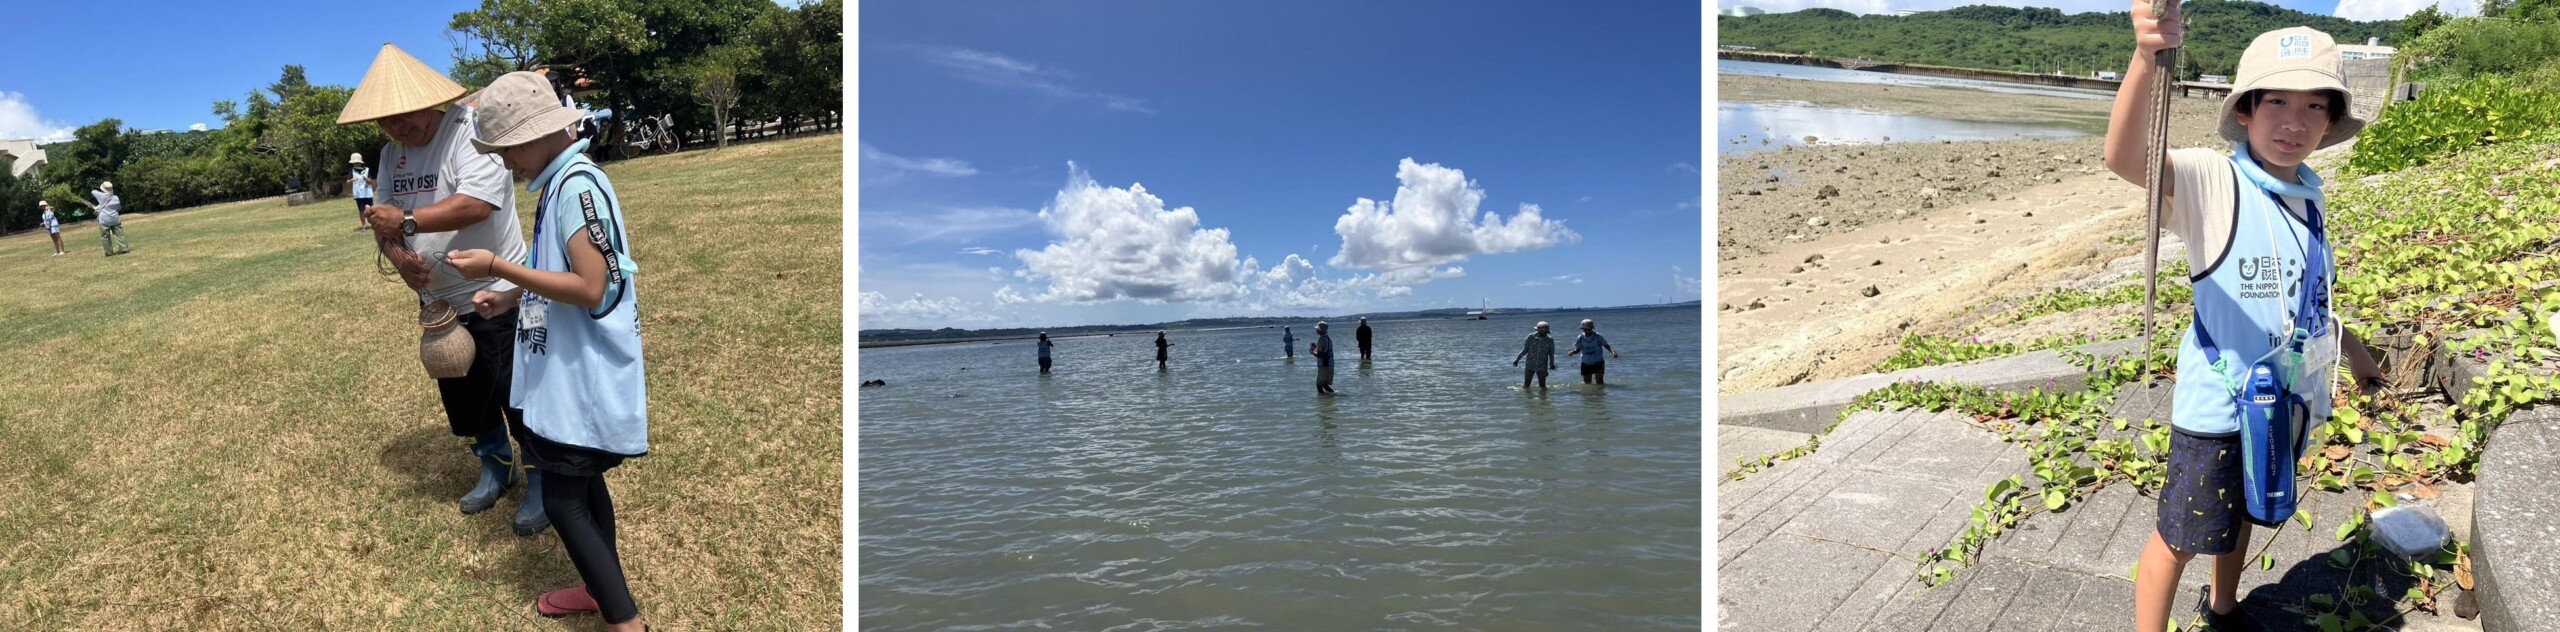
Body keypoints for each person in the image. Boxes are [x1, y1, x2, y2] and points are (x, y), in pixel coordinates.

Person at [2103, 14, 2389, 631]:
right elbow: (2126, 157)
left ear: (2332, 121)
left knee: (2244, 515)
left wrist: (2357, 354)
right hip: (2216, 409)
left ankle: (2226, 607)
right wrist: (2147, 55)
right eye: (2277, 102)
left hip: (2282, 402)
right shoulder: (2214, 179)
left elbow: (2306, 303)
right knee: (2178, 538)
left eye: (2315, 106)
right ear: (2245, 111)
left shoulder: (2309, 198)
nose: (2294, 121)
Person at [442, 70, 650, 630]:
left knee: (562, 501)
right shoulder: (560, 183)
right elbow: (561, 269)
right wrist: (511, 295)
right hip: (565, 368)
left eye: (507, 151)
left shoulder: (578, 186)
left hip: (582, 376)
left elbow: (591, 287)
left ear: (535, 135)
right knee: (582, 486)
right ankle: (601, 591)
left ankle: (626, 623)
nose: (507, 164)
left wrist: (497, 267)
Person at [338, 42, 547, 536]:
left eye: (402, 115)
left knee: (515, 387)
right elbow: (381, 222)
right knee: (464, 390)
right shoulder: (392, 153)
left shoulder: (469, 133)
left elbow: (478, 204)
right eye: (384, 120)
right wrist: (400, 260)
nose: (395, 127)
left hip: (497, 291)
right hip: (440, 303)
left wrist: (407, 218)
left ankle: (541, 474)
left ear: (427, 101)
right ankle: (495, 463)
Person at [67, 181, 128, 256]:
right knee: (119, 234)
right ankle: (124, 248)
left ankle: (109, 252)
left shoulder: (101, 196)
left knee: (105, 236)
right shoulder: (116, 198)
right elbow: (118, 208)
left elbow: (93, 191)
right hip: (115, 218)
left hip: (104, 219)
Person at [1569, 318, 1620, 385]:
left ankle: (1599, 394)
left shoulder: (1598, 336)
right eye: (1586, 329)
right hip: (1585, 363)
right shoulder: (1580, 337)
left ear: (1592, 328)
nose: (1588, 331)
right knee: (1587, 383)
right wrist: (1572, 352)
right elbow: (1578, 350)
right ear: (1583, 329)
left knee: (1600, 383)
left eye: (1589, 329)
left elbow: (1606, 345)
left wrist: (1613, 352)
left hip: (1598, 362)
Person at [1513, 321, 1558, 391]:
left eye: (1546, 332)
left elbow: (1551, 353)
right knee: (1527, 385)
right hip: (1530, 364)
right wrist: (1517, 359)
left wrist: (1552, 364)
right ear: (1538, 330)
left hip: (1542, 365)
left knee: (1542, 386)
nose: (1544, 333)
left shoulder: (1549, 340)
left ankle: (1543, 399)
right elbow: (1525, 349)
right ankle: (1528, 399)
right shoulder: (1531, 337)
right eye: (1543, 332)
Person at [348, 153, 376, 232]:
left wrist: (366, 179)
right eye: (354, 163)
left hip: (367, 193)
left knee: (370, 209)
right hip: (358, 194)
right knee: (361, 210)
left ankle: (374, 224)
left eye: (357, 163)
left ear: (360, 162)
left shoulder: (367, 170)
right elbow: (348, 181)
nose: (356, 164)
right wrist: (352, 180)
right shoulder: (352, 171)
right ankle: (364, 225)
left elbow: (370, 181)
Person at [1311, 322, 1336, 395]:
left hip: (1323, 365)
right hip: (1330, 364)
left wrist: (1312, 351)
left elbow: (1320, 355)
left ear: (1320, 330)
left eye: (1317, 329)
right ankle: (1333, 395)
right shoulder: (1328, 339)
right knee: (1325, 385)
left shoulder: (1321, 340)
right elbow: (1325, 351)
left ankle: (1322, 401)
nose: (1316, 330)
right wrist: (1316, 348)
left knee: (1319, 385)